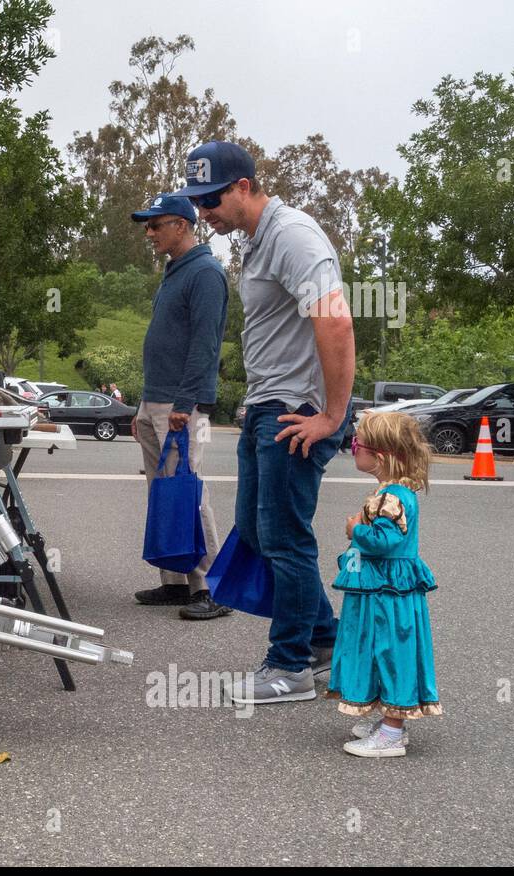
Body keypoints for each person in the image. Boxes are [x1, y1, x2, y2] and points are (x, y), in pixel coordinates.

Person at [171, 141, 356, 703]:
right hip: (266, 406)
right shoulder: (257, 242)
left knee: (285, 538)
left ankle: (290, 664)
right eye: (197, 201)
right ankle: (326, 640)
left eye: (210, 199)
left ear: (244, 187)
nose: (203, 212)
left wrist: (331, 415)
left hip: (295, 410)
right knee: (257, 532)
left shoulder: (292, 235)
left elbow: (337, 321)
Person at [128, 193, 230, 620]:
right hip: (156, 399)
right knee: (162, 493)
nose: (149, 233)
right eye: (148, 226)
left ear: (182, 226)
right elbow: (164, 346)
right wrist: (142, 404)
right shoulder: (175, 272)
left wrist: (184, 404)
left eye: (156, 225)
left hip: (180, 405)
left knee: (189, 492)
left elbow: (204, 346)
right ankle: (175, 582)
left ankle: (211, 588)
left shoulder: (206, 273)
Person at [328, 412, 440, 757]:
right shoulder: (394, 492)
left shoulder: (392, 497)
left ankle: (393, 731)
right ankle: (389, 720)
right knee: (383, 649)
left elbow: (384, 542)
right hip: (386, 588)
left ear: (380, 455)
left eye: (357, 442)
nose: (352, 446)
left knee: (390, 650)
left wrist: (355, 531)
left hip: (387, 592)